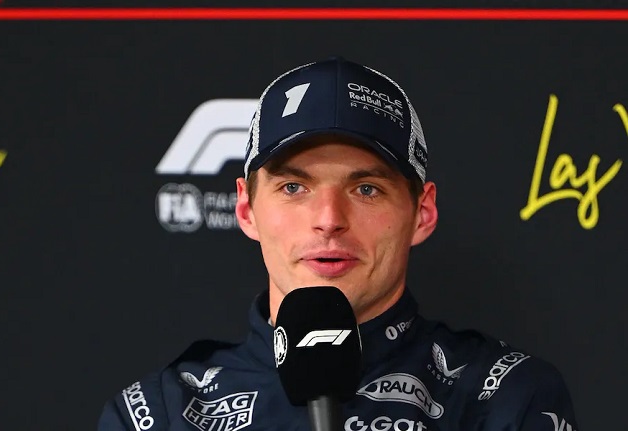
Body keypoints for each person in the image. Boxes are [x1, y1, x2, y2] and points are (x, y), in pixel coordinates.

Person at [98, 57, 578, 431]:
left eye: (366, 189)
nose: (329, 220)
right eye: (294, 187)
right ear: (246, 209)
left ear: (422, 213)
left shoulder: (504, 395)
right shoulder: (158, 413)